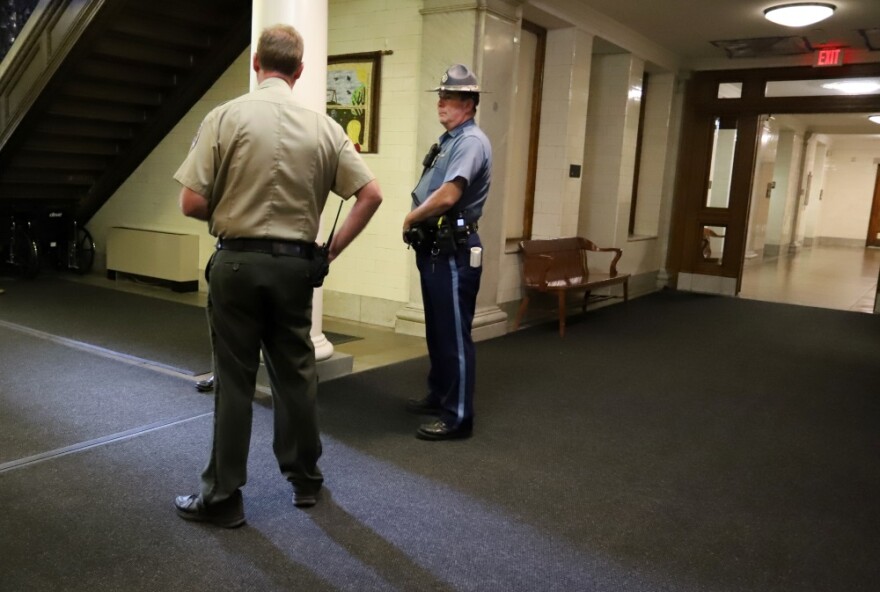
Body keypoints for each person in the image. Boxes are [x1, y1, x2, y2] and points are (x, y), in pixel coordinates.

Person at [172, 24, 382, 528]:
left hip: (237, 265)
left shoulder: (224, 117)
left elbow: (191, 202)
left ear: (255, 64)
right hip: (295, 269)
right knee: (296, 377)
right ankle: (306, 482)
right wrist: (329, 249)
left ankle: (223, 498)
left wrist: (232, 213)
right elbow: (371, 195)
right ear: (301, 70)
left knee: (235, 380)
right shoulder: (327, 129)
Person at [402, 64, 492, 441]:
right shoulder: (450, 139)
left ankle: (458, 417)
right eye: (440, 96)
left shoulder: (470, 142)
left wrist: (411, 217)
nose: (441, 103)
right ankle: (440, 393)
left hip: (455, 250)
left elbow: (449, 195)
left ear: (468, 103)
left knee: (454, 334)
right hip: (438, 247)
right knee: (438, 330)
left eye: (449, 97)